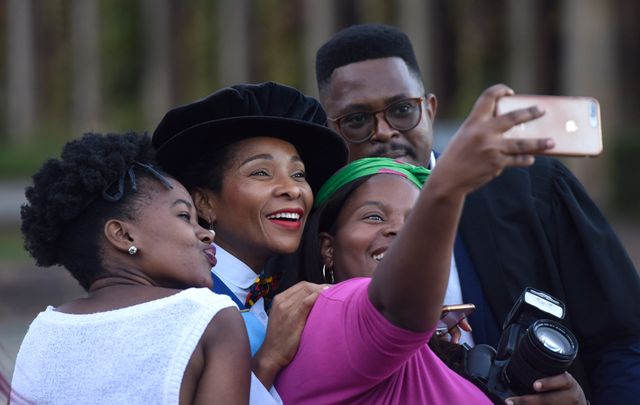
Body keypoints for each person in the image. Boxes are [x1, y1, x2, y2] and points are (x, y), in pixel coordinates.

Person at [313, 23, 640, 403]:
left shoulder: (529, 189)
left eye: (402, 110)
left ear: (430, 109)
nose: (384, 131)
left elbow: (623, 339)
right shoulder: (321, 220)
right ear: (330, 129)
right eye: (356, 120)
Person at [276, 156, 586, 402]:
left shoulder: (423, 344)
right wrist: (449, 185)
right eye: (374, 216)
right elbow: (396, 302)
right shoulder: (333, 307)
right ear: (328, 247)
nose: (400, 231)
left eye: (414, 222)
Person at [11, 132, 249, 404]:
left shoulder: (43, 331)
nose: (207, 234)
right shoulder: (210, 317)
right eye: (184, 216)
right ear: (123, 236)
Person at [152, 81, 349, 396]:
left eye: (299, 174)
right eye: (261, 173)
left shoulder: (272, 295)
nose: (293, 189)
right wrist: (268, 358)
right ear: (204, 203)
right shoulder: (180, 308)